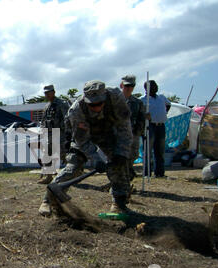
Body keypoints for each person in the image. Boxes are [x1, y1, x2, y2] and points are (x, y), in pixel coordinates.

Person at [38, 80, 132, 216]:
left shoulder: (116, 98)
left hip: (108, 134)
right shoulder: (76, 110)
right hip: (84, 136)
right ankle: (48, 199)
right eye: (91, 104)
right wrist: (96, 158)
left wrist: (121, 153)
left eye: (99, 103)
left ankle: (119, 203)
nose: (96, 107)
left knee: (118, 165)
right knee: (73, 167)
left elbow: (125, 128)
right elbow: (82, 139)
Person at [37, 84, 71, 184]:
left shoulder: (61, 104)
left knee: (64, 155)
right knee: (46, 155)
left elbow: (67, 118)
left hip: (60, 134)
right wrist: (42, 131)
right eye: (45, 93)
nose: (47, 94)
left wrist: (67, 133)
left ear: (54, 92)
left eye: (48, 92)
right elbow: (43, 121)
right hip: (49, 134)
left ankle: (73, 174)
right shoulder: (47, 106)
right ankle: (48, 177)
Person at [140, 80, 171, 178]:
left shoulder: (161, 97)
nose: (156, 87)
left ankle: (160, 173)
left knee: (160, 150)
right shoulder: (142, 100)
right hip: (150, 126)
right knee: (148, 150)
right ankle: (147, 173)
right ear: (147, 88)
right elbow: (138, 112)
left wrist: (164, 113)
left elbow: (168, 104)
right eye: (153, 86)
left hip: (161, 125)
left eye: (156, 85)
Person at [120, 75, 146, 181]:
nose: (129, 88)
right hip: (118, 134)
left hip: (132, 134)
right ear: (121, 85)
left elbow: (141, 118)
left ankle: (127, 173)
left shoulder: (137, 102)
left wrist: (138, 132)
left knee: (133, 155)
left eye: (132, 86)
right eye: (127, 86)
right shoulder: (115, 100)